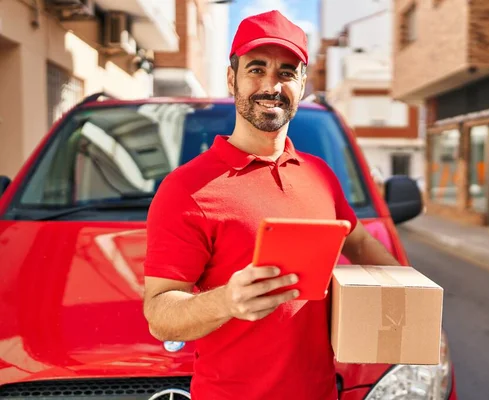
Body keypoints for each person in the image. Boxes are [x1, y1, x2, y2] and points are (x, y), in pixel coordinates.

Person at [143, 10, 400, 400]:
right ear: (232, 79)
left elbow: (361, 243)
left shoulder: (319, 176)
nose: (271, 85)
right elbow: (161, 316)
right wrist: (226, 300)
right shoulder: (187, 188)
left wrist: (410, 290)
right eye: (256, 69)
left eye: (286, 72)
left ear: (301, 84)